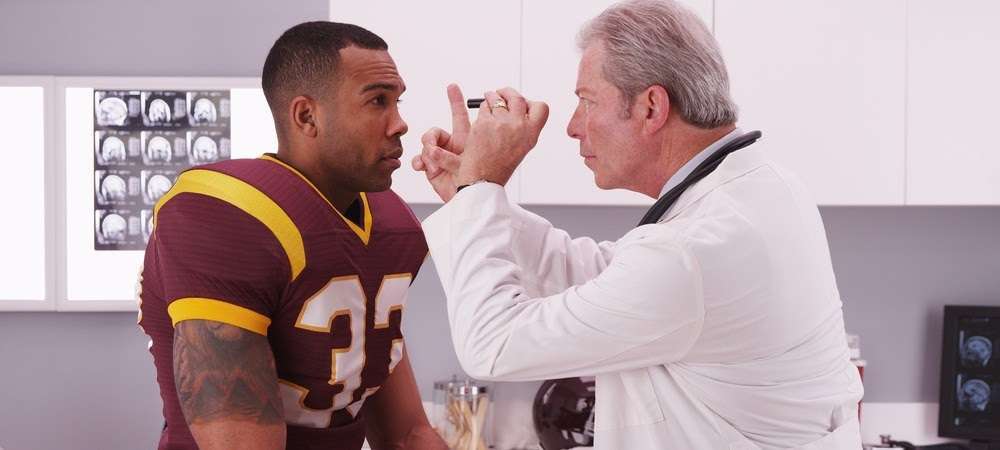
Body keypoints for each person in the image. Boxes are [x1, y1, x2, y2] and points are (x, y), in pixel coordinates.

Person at [414, 0, 864, 448]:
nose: (572, 127)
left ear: (651, 107)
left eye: (587, 102)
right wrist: (472, 195)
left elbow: (493, 346)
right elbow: (608, 281)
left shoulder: (691, 253)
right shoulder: (768, 190)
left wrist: (481, 186)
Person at [138, 21, 445, 450]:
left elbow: (407, 433)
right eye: (378, 101)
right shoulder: (225, 215)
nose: (400, 124)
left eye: (397, 102)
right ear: (307, 115)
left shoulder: (391, 222)